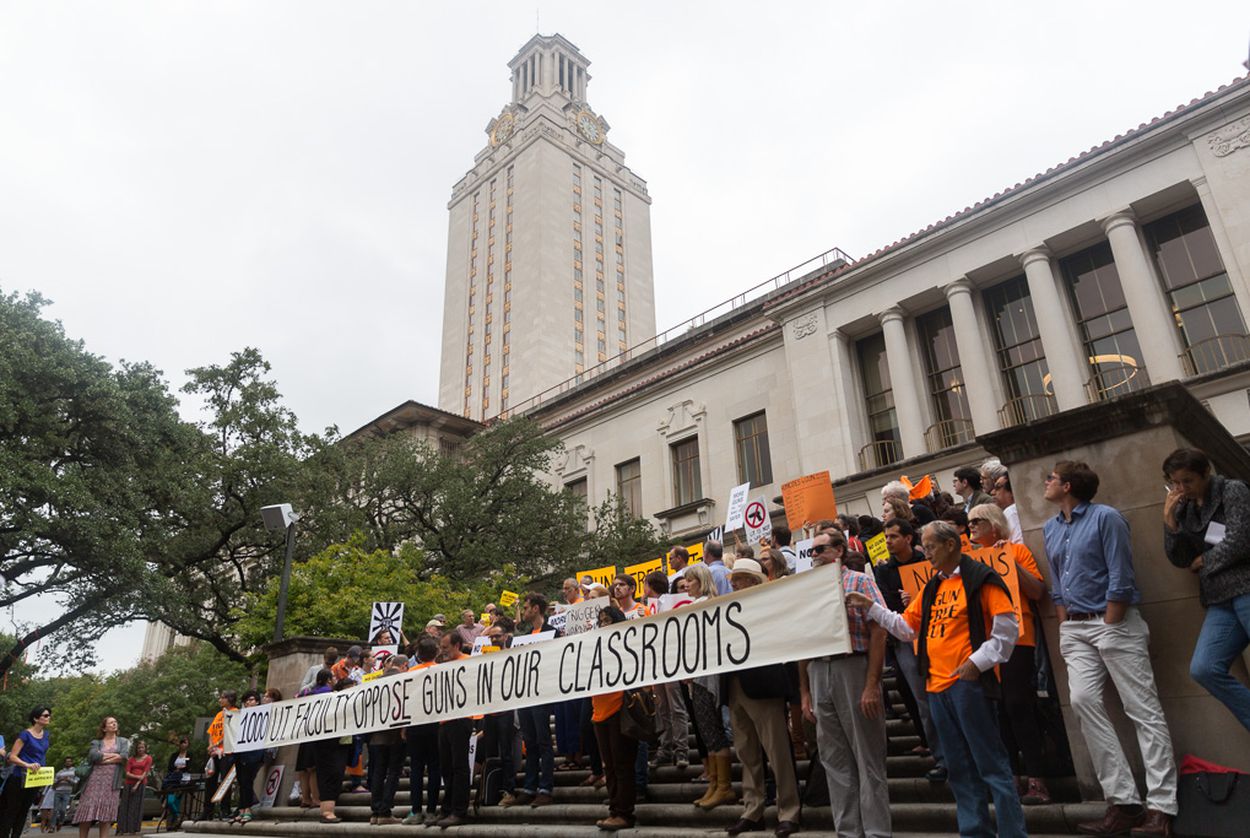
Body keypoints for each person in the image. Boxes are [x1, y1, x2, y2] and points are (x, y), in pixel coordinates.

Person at [850, 520, 1027, 838]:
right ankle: (974, 831)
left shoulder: (981, 579)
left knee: (991, 764)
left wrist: (976, 663)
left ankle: (1013, 832)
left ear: (950, 545)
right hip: (936, 686)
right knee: (959, 769)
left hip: (968, 685)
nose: (925, 551)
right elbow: (907, 627)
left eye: (930, 545)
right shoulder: (932, 587)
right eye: (924, 545)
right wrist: (873, 608)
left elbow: (1007, 631)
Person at [1044, 460, 1176, 837]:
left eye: (1051, 478)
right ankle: (1125, 802)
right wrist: (1065, 619)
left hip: (1112, 622)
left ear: (1068, 486)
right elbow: (1057, 579)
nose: (1046, 484)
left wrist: (1112, 617)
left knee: (1142, 710)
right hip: (1076, 628)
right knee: (1084, 702)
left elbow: (1121, 570)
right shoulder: (1052, 527)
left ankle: (1162, 807)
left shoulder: (1106, 518)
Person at [800, 530, 891, 838]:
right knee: (834, 760)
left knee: (867, 757)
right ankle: (848, 831)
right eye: (811, 552)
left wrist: (871, 684)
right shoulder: (807, 590)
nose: (814, 556)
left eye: (820, 549)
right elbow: (800, 641)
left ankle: (877, 831)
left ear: (838, 550)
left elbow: (879, 631)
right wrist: (804, 692)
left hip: (853, 667)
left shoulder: (860, 581)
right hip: (819, 670)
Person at [968, 502, 1051, 805]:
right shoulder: (966, 562)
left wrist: (1009, 564)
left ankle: (1037, 779)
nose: (972, 527)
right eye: (970, 522)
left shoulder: (1017, 551)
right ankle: (1011, 778)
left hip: (1017, 637)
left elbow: (1038, 592)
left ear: (994, 524)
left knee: (1017, 704)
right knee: (997, 710)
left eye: (977, 521)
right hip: (982, 642)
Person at [1163, 448, 1250, 733]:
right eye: (1175, 482)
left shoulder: (1232, 490)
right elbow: (1179, 559)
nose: (1181, 489)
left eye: (1187, 481)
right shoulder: (1184, 508)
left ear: (1205, 474)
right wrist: (1170, 522)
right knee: (1204, 668)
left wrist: (1206, 560)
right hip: (1218, 599)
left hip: (1246, 586)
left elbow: (1241, 540)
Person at [723, 559, 801, 838]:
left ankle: (788, 810)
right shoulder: (725, 608)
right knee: (746, 753)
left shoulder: (770, 605)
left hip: (764, 684)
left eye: (740, 578)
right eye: (733, 579)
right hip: (734, 686)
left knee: (777, 750)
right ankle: (752, 809)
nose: (733, 583)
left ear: (755, 581)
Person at [871, 519, 943, 779]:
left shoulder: (927, 561)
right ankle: (941, 756)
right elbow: (888, 603)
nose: (887, 541)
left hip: (937, 635)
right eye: (886, 537)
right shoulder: (884, 570)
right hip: (905, 638)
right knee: (922, 699)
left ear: (908, 539)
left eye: (892, 536)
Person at [682, 563, 736, 811]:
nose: (686, 585)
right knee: (706, 730)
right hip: (700, 674)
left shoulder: (702, 606)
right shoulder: (701, 605)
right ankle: (715, 783)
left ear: (701, 581)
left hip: (705, 676)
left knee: (711, 728)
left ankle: (723, 786)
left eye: (690, 580)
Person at [505, 593, 560, 808]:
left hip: (542, 692)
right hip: (525, 693)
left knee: (544, 740)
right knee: (531, 741)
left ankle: (545, 788)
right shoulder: (524, 635)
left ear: (536, 608)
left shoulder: (552, 633)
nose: (524, 612)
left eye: (526, 608)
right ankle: (530, 787)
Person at [591, 606, 639, 832]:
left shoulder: (626, 645)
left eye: (607, 620)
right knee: (608, 766)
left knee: (621, 764)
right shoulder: (593, 647)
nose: (603, 624)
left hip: (620, 708)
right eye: (600, 621)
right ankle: (614, 809)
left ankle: (624, 813)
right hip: (599, 710)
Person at [644, 572, 690, 771]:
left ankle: (681, 748)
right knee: (662, 707)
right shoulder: (649, 607)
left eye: (645, 585)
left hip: (671, 660)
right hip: (658, 661)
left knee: (675, 706)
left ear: (650, 585)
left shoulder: (668, 603)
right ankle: (666, 746)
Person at [401, 637, 443, 826]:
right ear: (437, 652)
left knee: (417, 768)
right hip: (435, 724)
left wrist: (404, 726)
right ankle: (432, 810)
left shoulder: (410, 673)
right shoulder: (442, 671)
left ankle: (416, 810)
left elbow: (404, 701)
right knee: (434, 767)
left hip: (415, 725)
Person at [436, 632, 475, 829]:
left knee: (459, 766)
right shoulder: (443, 665)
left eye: (446, 648)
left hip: (461, 719)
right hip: (444, 721)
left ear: (457, 645)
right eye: (441, 648)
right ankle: (447, 808)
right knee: (447, 767)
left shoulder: (468, 662)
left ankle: (459, 810)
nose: (443, 652)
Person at [74, 716, 129, 838]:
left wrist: (103, 757)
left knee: (106, 814)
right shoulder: (96, 742)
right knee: (86, 811)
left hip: (112, 782)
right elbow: (93, 757)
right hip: (94, 781)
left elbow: (124, 757)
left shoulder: (123, 741)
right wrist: (114, 756)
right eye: (111, 723)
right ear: (104, 728)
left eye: (115, 722)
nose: (114, 724)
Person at [1, 707, 51, 838]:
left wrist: (43, 770)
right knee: (11, 811)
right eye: (45, 715)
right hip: (18, 778)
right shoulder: (25, 735)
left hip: (34, 779)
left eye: (49, 715)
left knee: (24, 811)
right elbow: (12, 756)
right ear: (35, 718)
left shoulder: (46, 735)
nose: (48, 717)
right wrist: (27, 764)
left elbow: (41, 755)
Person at [313, 675, 355, 824]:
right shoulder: (332, 699)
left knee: (333, 774)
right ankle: (327, 812)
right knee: (331, 775)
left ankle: (328, 810)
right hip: (331, 743)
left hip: (335, 743)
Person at [231, 693, 265, 824]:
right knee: (242, 781)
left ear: (257, 702)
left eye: (251, 700)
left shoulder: (262, 715)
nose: (248, 703)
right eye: (246, 701)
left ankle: (247, 809)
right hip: (240, 753)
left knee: (247, 781)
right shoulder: (240, 717)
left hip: (254, 753)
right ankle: (242, 809)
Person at [204, 690, 238, 819]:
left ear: (230, 699)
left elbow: (231, 732)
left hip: (227, 753)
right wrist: (211, 745)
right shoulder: (219, 714)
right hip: (215, 753)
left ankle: (225, 809)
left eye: (222, 697)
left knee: (225, 782)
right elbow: (211, 732)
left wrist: (217, 744)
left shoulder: (235, 712)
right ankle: (207, 811)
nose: (220, 700)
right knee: (210, 782)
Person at [116, 739, 153, 834]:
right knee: (125, 806)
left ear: (145, 748)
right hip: (128, 784)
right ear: (136, 749)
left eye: (142, 747)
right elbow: (127, 773)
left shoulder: (148, 758)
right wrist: (137, 776)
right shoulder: (131, 759)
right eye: (139, 748)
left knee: (135, 807)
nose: (140, 749)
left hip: (140, 785)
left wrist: (136, 785)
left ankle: (133, 829)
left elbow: (145, 773)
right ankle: (121, 829)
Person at [161, 739, 192, 829]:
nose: (183, 745)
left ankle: (174, 824)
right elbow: (170, 766)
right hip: (172, 780)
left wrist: (180, 768)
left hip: (184, 780)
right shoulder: (174, 755)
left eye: (185, 743)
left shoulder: (189, 755)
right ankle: (177, 816)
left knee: (178, 800)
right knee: (170, 801)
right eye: (181, 742)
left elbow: (189, 766)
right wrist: (177, 768)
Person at [990, 472, 1024, 544]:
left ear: (1012, 491)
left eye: (998, 487)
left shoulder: (1011, 511)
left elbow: (1019, 543)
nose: (992, 492)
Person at [53, 758, 77, 831]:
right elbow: (54, 783)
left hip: (67, 791)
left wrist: (68, 779)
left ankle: (61, 822)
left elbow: (75, 782)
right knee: (55, 810)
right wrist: (59, 780)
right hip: (58, 791)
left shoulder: (75, 771)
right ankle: (52, 826)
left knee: (63, 810)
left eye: (69, 761)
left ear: (72, 762)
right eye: (66, 761)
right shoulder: (60, 772)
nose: (68, 763)